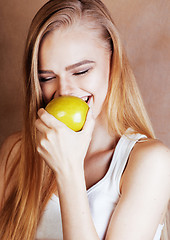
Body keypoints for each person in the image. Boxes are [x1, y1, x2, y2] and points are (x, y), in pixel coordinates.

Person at [0, 0, 169, 239]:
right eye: (47, 77)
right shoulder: (16, 153)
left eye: (81, 71)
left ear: (114, 62)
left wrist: (68, 171)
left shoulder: (150, 162)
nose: (65, 91)